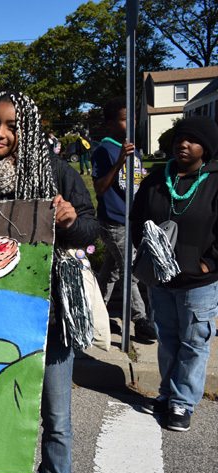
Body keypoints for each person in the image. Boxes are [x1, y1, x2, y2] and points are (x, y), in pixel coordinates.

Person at [0, 91, 98, 473]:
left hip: (52, 315)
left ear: (29, 132)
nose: (0, 133)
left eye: (12, 126)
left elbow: (94, 232)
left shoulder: (58, 173)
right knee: (2, 409)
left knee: (56, 420)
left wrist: (72, 220)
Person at [132, 116, 218, 432]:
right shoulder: (157, 179)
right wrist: (147, 256)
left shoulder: (214, 180)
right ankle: (166, 394)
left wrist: (208, 264)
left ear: (205, 148)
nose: (183, 144)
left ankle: (182, 403)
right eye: (179, 138)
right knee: (167, 339)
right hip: (160, 279)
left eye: (192, 140)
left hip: (199, 282)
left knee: (194, 341)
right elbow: (136, 219)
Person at [91, 97, 156, 341]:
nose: (132, 122)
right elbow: (99, 188)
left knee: (111, 272)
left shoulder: (134, 149)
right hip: (113, 221)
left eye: (134, 117)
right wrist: (119, 162)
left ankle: (94, 312)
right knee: (130, 269)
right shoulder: (104, 151)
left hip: (132, 220)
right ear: (110, 123)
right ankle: (140, 319)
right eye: (124, 118)